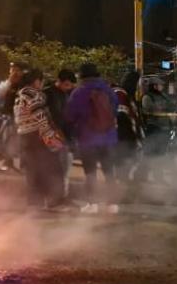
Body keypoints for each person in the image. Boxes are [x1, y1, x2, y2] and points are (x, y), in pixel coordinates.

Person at [67, 63, 120, 214]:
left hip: (88, 138)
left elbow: (70, 115)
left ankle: (93, 203)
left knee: (90, 172)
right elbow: (115, 110)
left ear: (81, 76)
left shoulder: (79, 92)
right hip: (109, 138)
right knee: (109, 171)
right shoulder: (108, 90)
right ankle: (112, 205)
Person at [13, 68, 66, 209]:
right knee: (53, 168)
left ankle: (35, 203)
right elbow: (39, 115)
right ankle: (54, 200)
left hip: (25, 136)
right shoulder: (32, 94)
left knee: (33, 170)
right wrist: (49, 135)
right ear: (37, 81)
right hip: (36, 135)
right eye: (41, 81)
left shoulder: (20, 95)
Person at [45, 69, 76, 200]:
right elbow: (56, 118)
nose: (68, 88)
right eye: (67, 85)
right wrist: (64, 138)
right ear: (60, 82)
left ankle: (59, 197)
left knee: (62, 169)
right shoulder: (50, 94)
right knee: (59, 169)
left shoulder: (63, 94)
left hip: (61, 136)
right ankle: (56, 198)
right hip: (55, 137)